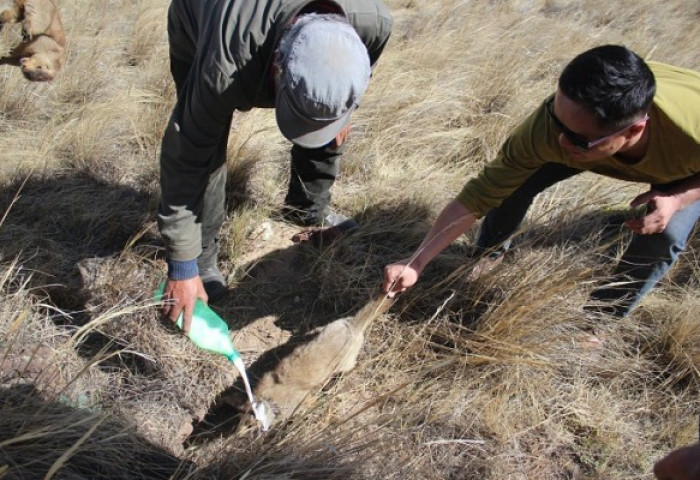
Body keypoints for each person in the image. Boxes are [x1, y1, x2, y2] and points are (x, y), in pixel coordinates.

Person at [383, 45, 700, 318]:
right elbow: (479, 195)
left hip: (684, 167)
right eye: (555, 119)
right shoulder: (550, 128)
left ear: (633, 131)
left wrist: (677, 199)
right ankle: (490, 251)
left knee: (666, 234)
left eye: (576, 138)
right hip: (627, 133)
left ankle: (601, 319)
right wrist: (416, 261)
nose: (559, 140)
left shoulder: (691, 134)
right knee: (515, 181)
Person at [159, 0, 393, 331]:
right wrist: (182, 264)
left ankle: (307, 208)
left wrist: (342, 111)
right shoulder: (224, 66)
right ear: (277, 68)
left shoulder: (372, 23)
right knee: (207, 150)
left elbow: (348, 77)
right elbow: (187, 155)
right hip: (200, 21)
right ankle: (204, 258)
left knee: (327, 113)